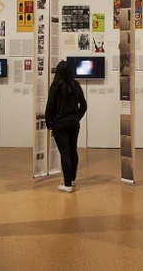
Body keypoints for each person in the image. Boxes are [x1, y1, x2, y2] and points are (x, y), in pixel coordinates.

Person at [45, 60, 87, 193]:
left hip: (59, 124)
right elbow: (84, 105)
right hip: (73, 123)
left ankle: (67, 184)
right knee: (73, 151)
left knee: (65, 153)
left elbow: (50, 107)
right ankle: (72, 179)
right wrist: (77, 117)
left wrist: (48, 122)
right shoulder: (76, 85)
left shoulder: (55, 87)